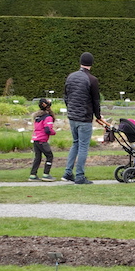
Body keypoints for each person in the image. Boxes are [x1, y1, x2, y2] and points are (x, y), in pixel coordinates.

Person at [62, 52, 103, 184]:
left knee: (75, 144)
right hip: (84, 118)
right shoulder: (92, 80)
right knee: (83, 146)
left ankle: (68, 172)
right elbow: (96, 100)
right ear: (91, 63)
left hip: (72, 117)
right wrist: (98, 116)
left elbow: (66, 97)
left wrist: (70, 110)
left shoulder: (70, 77)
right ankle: (79, 175)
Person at [29, 98, 57, 181]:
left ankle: (33, 175)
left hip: (35, 139)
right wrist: (53, 132)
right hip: (42, 140)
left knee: (37, 157)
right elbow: (47, 130)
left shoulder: (37, 117)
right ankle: (46, 174)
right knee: (49, 156)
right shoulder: (48, 117)